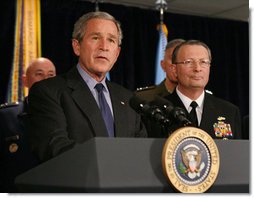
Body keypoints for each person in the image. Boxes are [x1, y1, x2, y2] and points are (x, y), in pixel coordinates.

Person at [27, 11, 147, 163]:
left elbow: (140, 149)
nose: (104, 47)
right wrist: (112, 163)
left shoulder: (128, 98)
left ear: (116, 53)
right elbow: (54, 147)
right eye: (96, 38)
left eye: (111, 40)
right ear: (77, 46)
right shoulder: (48, 91)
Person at [164, 40, 242, 139]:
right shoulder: (158, 111)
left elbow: (238, 153)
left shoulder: (229, 111)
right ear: (174, 69)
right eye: (189, 62)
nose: (197, 68)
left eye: (203, 62)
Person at [0, 57, 56, 192]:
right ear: (25, 80)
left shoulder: (69, 116)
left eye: (51, 75)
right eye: (39, 74)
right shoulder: (5, 117)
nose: (45, 79)